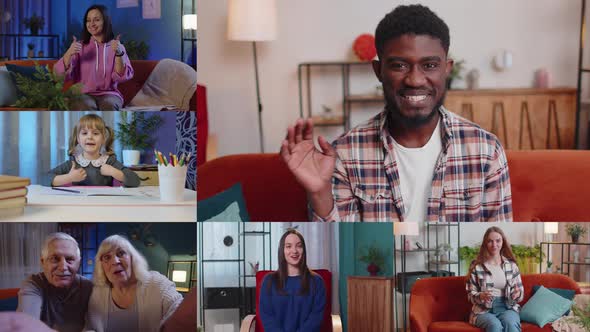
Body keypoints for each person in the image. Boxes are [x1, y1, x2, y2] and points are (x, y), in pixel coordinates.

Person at [280, 4, 512, 222]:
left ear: (446, 69)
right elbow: (344, 249)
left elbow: (495, 236)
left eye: (429, 65)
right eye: (399, 65)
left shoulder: (486, 150)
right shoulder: (345, 154)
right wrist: (320, 193)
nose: (415, 79)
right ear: (378, 71)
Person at [85, 235, 183, 332]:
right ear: (101, 265)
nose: (115, 261)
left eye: (121, 253)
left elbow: (180, 311)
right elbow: (90, 327)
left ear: (133, 258)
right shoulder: (98, 293)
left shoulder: (156, 283)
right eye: (107, 257)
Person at [54, 4, 133, 110]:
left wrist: (119, 53)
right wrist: (69, 53)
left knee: (109, 105)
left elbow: (121, 76)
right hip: (82, 94)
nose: (91, 24)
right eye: (88, 20)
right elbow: (58, 76)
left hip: (110, 94)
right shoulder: (79, 46)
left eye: (96, 20)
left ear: (106, 21)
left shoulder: (118, 47)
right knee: (84, 105)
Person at [17, 232, 93, 332]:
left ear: (78, 263)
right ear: (43, 262)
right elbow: (27, 327)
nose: (63, 267)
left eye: (70, 259)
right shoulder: (33, 284)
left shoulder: (88, 287)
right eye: (54, 259)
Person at [45, 114, 140, 187]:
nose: (90, 137)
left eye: (95, 133)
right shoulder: (73, 163)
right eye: (84, 133)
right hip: (79, 206)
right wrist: (69, 177)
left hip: (104, 206)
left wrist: (114, 172)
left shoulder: (110, 162)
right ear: (78, 139)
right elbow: (44, 178)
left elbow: (136, 181)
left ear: (103, 139)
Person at [259, 229, 326, 332]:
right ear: (282, 250)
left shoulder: (317, 282)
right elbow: (267, 317)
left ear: (304, 250)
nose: (294, 251)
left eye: (299, 246)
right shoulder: (269, 281)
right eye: (288, 246)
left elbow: (315, 318)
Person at [466, 226, 524, 332]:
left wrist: (517, 294)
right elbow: (470, 294)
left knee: (510, 324)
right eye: (490, 241)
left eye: (498, 241)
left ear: (503, 242)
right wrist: (481, 296)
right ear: (485, 244)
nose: (494, 245)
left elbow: (520, 293)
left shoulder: (512, 265)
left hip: (507, 307)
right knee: (495, 325)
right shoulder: (477, 266)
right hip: (483, 310)